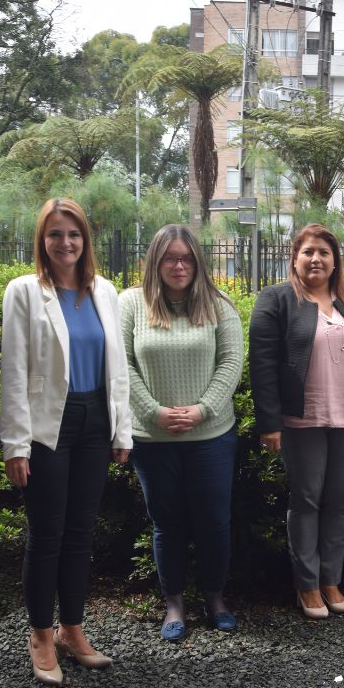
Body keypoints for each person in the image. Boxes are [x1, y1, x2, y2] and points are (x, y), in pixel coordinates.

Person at [1, 198, 132, 685]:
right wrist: (15, 444)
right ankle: (39, 634)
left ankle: (71, 630)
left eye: (73, 234)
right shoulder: (24, 292)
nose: (65, 243)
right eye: (55, 234)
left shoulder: (104, 291)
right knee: (47, 533)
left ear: (85, 241)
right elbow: (13, 371)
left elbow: (116, 370)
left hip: (94, 419)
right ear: (43, 240)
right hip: (45, 427)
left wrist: (122, 430)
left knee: (81, 532)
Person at [249, 224, 344, 619]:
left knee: (341, 499)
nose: (316, 259)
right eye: (308, 251)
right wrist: (269, 422)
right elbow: (262, 365)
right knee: (307, 499)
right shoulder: (277, 299)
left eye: (324, 252)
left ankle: (331, 580)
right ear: (294, 257)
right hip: (301, 418)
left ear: (335, 259)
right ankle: (306, 585)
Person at [121, 225, 244, 638]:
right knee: (167, 523)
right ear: (155, 261)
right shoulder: (130, 304)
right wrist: (154, 412)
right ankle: (174, 604)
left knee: (214, 521)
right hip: (152, 439)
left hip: (210, 437)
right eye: (170, 257)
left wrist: (202, 410)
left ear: (198, 262)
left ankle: (215, 597)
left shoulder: (218, 305)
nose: (179, 265)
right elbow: (121, 365)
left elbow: (231, 363)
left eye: (187, 258)